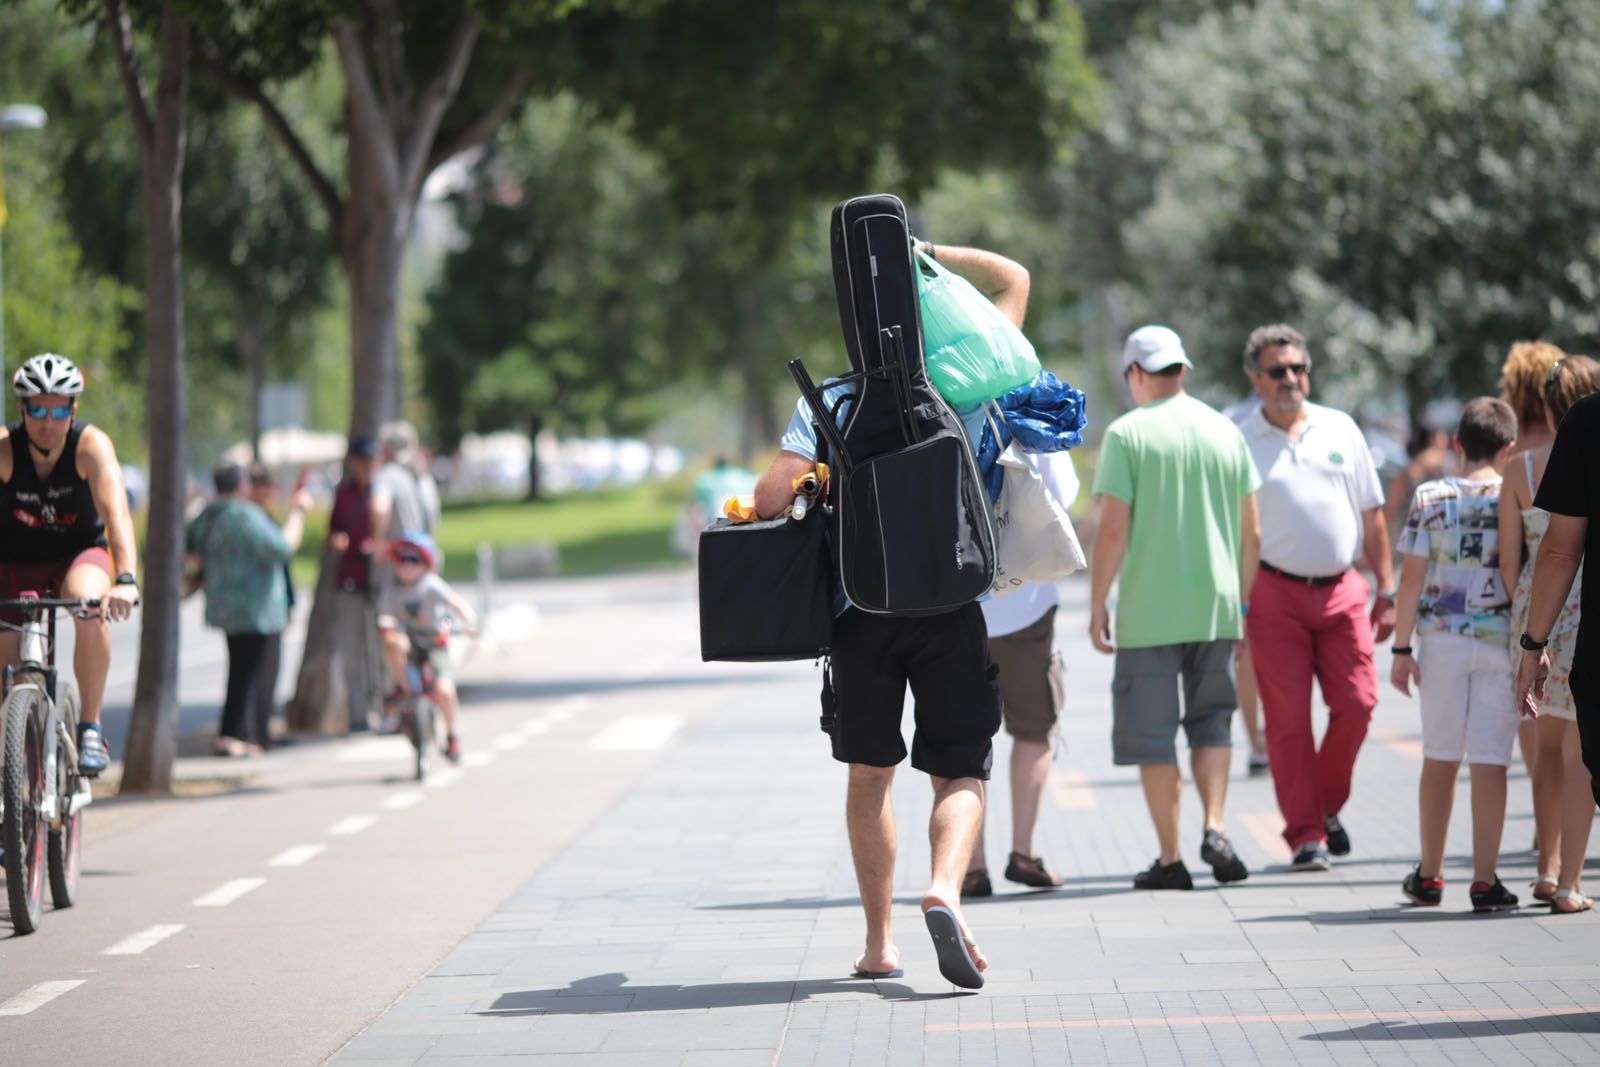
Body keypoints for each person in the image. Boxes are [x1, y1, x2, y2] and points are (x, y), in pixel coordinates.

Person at [752, 239, 1029, 989]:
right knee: (961, 768)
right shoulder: (970, 381)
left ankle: (879, 943)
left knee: (871, 774)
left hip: (861, 611)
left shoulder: (833, 398)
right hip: (952, 605)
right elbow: (1017, 283)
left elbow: (773, 498)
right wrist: (932, 253)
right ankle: (944, 885)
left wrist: (816, 475)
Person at [1090, 325, 1261, 891]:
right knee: (1212, 722)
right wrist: (1239, 602)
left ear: (1135, 374)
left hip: (1148, 613)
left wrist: (1098, 605)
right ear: (1182, 370)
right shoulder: (1225, 431)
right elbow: (1252, 534)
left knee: (1153, 735)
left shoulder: (1126, 434)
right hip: (1216, 607)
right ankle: (1215, 826)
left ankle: (1170, 857)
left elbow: (1113, 532)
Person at [1236, 324, 1395, 872]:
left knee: (1358, 705)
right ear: (1255, 378)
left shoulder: (1339, 427)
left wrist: (1388, 586)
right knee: (1287, 722)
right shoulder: (1237, 436)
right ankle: (1306, 833)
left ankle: (1324, 807)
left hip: (1344, 589)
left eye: (1298, 368)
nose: (1291, 379)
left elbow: (1372, 514)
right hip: (1272, 593)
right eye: (1278, 371)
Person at [1390, 398, 1522, 911]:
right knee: (1491, 760)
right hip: (1500, 641)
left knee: (1440, 755)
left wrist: (1402, 647)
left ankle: (1430, 874)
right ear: (1508, 448)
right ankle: (1485, 880)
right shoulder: (1517, 495)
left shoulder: (1431, 496)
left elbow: (1411, 579)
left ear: (1456, 444)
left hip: (1442, 642)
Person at [0, 354, 140, 775]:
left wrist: (127, 580)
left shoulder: (90, 446)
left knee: (86, 602)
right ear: (22, 410)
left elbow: (117, 516)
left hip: (77, 556)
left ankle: (90, 725)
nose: (48, 420)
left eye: (59, 408)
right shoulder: (5, 451)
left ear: (73, 410)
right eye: (37, 409)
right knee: (6, 681)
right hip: (14, 563)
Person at [1501, 355, 1600, 912]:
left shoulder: (1524, 467)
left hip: (1546, 613)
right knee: (1579, 758)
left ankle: (1546, 866)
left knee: (1548, 747)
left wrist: (1527, 639)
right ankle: (1572, 881)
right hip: (1582, 608)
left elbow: (1520, 557)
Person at [963, 451, 1079, 898]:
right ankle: (1022, 853)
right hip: (1027, 607)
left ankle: (971, 866)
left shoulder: (940, 406)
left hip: (958, 609)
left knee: (964, 741)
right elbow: (1063, 497)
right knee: (1033, 731)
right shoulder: (1033, 420)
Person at [186, 462, 312, 757]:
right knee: (253, 673)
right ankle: (243, 735)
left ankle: (236, 733)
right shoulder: (244, 514)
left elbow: (190, 551)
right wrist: (299, 513)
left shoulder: (207, 516)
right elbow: (282, 547)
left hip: (224, 607)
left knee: (239, 670)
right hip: (257, 608)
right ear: (242, 485)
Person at [1498, 340, 1567, 834]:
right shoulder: (1576, 448)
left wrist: (1518, 603)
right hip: (1581, 594)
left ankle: (1547, 832)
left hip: (1530, 601)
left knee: (1535, 717)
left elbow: (1509, 558)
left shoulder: (1514, 459)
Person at [376, 530, 477, 764]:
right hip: (409, 643)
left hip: (433, 642)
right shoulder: (392, 590)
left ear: (425, 563)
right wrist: (386, 623)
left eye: (414, 560)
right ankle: (403, 687)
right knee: (393, 641)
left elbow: (456, 603)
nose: (407, 566)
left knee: (445, 690)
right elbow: (384, 616)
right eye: (402, 560)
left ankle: (452, 736)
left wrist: (469, 621)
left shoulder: (431, 586)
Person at [330, 435, 383, 731]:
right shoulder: (344, 494)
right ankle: (358, 715)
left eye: (371, 460)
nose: (366, 466)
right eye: (361, 461)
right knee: (353, 650)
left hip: (377, 579)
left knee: (380, 649)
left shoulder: (383, 491)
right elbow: (334, 528)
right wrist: (339, 541)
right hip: (351, 575)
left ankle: (385, 709)